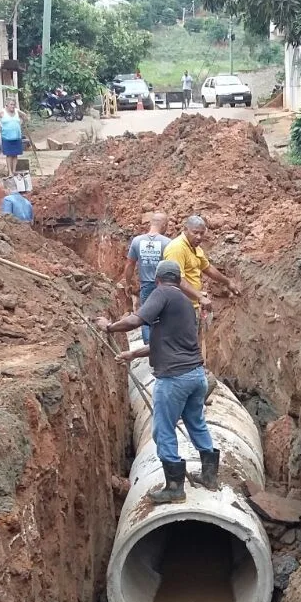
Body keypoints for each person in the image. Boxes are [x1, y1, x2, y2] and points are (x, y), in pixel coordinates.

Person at [97, 259, 220, 502]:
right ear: (179, 280)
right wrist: (133, 354)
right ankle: (210, 476)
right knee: (196, 422)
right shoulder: (185, 303)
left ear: (157, 279)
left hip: (174, 379)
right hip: (196, 376)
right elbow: (170, 343)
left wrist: (109, 327)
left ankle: (174, 488)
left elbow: (135, 321)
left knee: (163, 429)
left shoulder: (161, 293)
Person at [164, 215, 240, 385]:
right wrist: (199, 296)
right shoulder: (177, 248)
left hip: (191, 306)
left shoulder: (195, 248)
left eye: (201, 233)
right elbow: (177, 279)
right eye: (195, 233)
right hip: (178, 307)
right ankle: (182, 382)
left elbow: (207, 267)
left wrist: (227, 282)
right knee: (182, 345)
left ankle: (194, 381)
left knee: (193, 344)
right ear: (185, 230)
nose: (198, 237)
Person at [123, 212, 171, 344]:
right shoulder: (167, 243)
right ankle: (163, 344)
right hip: (163, 284)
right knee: (164, 314)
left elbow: (130, 264)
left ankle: (149, 346)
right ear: (164, 225)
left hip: (146, 285)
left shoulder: (137, 241)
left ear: (151, 223)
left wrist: (128, 283)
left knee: (146, 315)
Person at [0, 98, 28, 178]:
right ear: (6, 105)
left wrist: (21, 123)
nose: (13, 106)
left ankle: (14, 171)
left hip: (17, 136)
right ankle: (10, 172)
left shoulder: (17, 111)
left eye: (14, 104)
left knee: (15, 154)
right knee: (9, 155)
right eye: (11, 104)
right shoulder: (2, 112)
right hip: (7, 137)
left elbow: (25, 116)